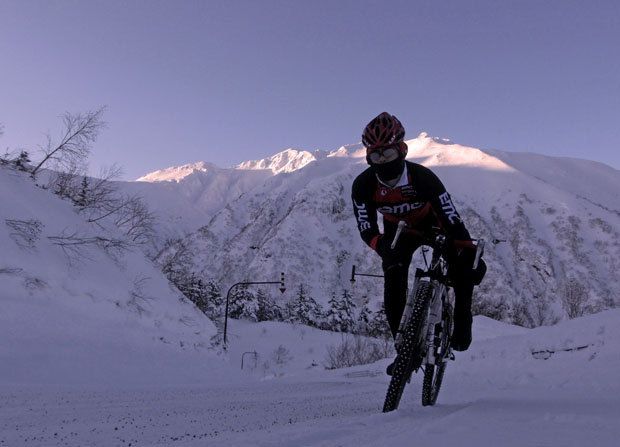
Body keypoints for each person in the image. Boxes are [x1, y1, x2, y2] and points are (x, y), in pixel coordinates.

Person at [351, 112, 486, 370]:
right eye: (375, 155)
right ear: (368, 157)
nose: (382, 161)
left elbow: (452, 219)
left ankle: (461, 318)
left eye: (388, 153)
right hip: (398, 230)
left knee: (462, 269)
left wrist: (466, 252)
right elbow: (366, 227)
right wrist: (381, 247)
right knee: (393, 277)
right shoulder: (363, 185)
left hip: (435, 224)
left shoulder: (424, 178)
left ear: (402, 150)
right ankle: (404, 351)